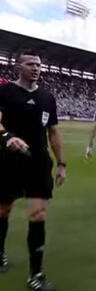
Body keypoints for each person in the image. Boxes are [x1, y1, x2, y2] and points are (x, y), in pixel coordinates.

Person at [0, 50, 66, 290]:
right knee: (3, 209)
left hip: (38, 163)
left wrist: (61, 164)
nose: (36, 68)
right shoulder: (5, 91)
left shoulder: (48, 97)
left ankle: (36, 274)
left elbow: (54, 132)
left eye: (38, 64)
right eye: (30, 64)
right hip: (7, 161)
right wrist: (7, 136)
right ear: (18, 67)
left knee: (38, 215)